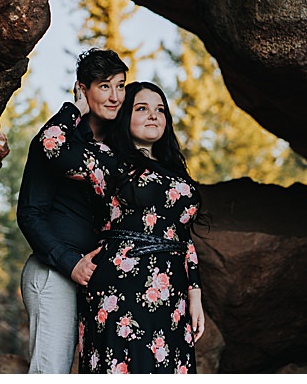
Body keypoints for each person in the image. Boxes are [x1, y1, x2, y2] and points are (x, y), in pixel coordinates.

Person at [36, 81, 206, 373]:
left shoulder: (176, 172)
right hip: (121, 289)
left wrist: (195, 294)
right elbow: (50, 144)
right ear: (125, 115)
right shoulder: (107, 160)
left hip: (172, 295)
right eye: (142, 108)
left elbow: (183, 235)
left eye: (160, 110)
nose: (154, 115)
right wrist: (79, 106)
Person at [17, 48, 128, 373]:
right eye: (104, 86)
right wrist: (71, 263)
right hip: (55, 273)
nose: (115, 96)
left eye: (120, 86)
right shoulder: (57, 141)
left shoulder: (118, 147)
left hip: (99, 279)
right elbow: (29, 214)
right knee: (52, 371)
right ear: (83, 88)